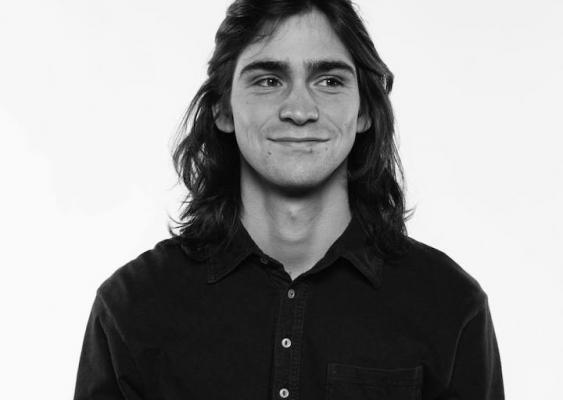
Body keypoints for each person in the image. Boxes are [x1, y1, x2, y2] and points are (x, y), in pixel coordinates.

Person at [73, 0, 505, 399]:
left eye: (330, 81)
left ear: (364, 111)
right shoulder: (132, 306)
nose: (299, 110)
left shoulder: (450, 306)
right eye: (268, 80)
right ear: (222, 109)